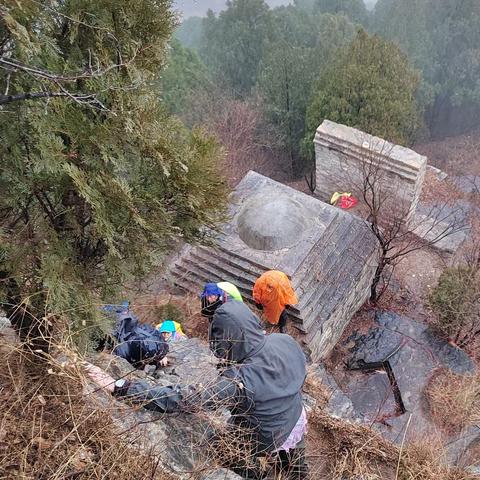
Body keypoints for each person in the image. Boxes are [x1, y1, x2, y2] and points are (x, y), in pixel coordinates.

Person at [87, 301, 307, 479]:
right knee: (296, 457)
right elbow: (301, 374)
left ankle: (253, 473)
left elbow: (184, 399)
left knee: (228, 452)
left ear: (227, 339)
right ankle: (298, 473)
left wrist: (122, 387)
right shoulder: (284, 340)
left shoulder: (237, 382)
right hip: (296, 416)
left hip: (265, 436)